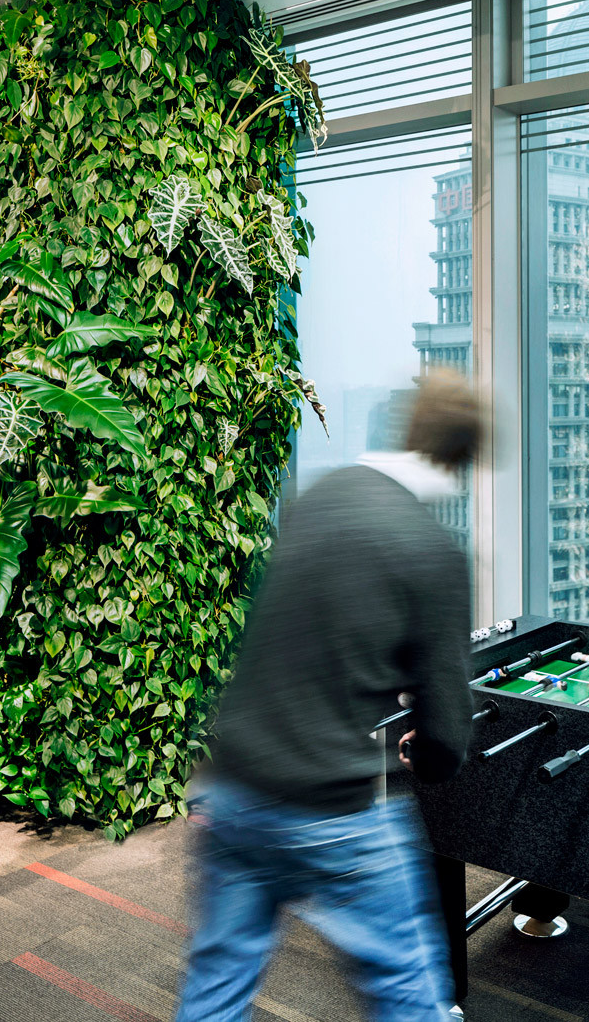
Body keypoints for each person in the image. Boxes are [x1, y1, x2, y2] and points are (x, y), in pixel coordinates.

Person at [175, 370, 483, 1022]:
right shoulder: (434, 551)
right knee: (406, 984)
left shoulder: (324, 492)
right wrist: (424, 755)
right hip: (328, 807)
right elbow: (448, 732)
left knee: (218, 981)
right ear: (462, 459)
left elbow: (311, 626)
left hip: (231, 781)